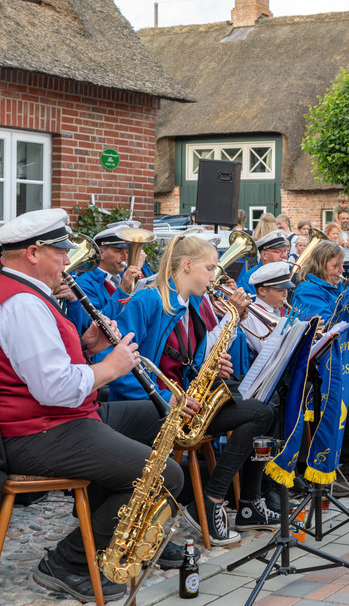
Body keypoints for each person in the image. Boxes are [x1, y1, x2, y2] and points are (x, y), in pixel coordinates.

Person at [0, 208, 184, 601]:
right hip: (34, 431)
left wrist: (88, 347)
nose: (67, 260)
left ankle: (110, 538)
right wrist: (110, 368)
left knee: (159, 417)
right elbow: (55, 389)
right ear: (32, 253)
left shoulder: (23, 294)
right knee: (166, 475)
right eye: (60, 251)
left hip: (53, 419)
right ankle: (69, 560)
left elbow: (39, 369)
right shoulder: (21, 303)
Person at [107, 233, 277, 544]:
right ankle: (211, 502)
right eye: (210, 268)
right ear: (186, 265)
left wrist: (213, 366)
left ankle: (213, 499)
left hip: (185, 406)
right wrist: (164, 397)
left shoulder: (193, 305)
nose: (215, 276)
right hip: (150, 409)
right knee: (258, 411)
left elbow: (190, 361)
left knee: (262, 411)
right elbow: (116, 365)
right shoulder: (147, 301)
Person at [291, 241, 349, 478]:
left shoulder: (338, 287)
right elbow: (329, 325)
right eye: (336, 266)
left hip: (345, 355)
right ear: (321, 265)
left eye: (342, 265)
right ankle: (345, 457)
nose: (341, 271)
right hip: (321, 361)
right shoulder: (307, 290)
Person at [73, 225, 144, 316]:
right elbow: (96, 324)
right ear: (101, 253)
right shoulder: (84, 283)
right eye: (118, 251)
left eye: (127, 252)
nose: (125, 257)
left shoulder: (123, 277)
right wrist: (122, 291)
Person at [238, 229, 291, 295]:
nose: (284, 255)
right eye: (278, 251)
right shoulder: (249, 278)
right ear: (264, 255)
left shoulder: (290, 271)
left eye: (285, 251)